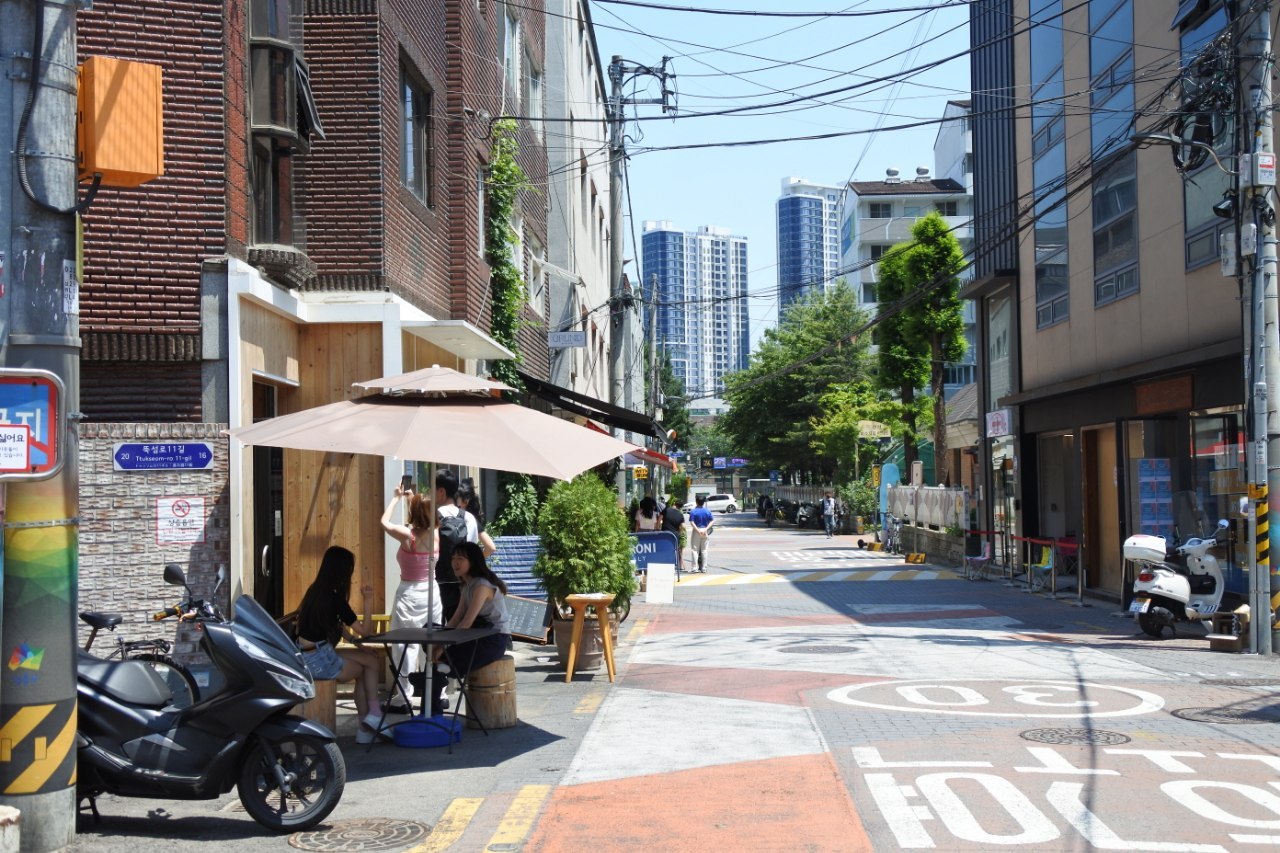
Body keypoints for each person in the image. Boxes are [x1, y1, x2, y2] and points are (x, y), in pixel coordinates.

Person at [295, 546, 386, 743]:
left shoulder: (315, 592)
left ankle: (367, 725)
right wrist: (368, 600)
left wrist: (354, 642)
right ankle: (372, 718)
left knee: (368, 661)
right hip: (320, 659)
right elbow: (366, 631)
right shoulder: (335, 599)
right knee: (370, 663)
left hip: (310, 655)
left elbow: (336, 624)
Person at [429, 542, 512, 716]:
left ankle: (444, 668)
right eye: (453, 558)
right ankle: (441, 671)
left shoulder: (482, 585)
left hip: (493, 640)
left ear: (473, 561)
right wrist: (436, 641)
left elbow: (466, 622)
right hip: (477, 635)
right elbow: (454, 621)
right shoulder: (466, 586)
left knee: (436, 664)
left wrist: (443, 646)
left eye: (461, 558)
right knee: (429, 634)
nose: (455, 563)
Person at [380, 484, 439, 714]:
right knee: (432, 643)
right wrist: (412, 499)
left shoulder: (408, 536)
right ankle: (437, 692)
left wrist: (395, 499)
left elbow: (384, 522)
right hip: (432, 593)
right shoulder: (435, 535)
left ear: (414, 514)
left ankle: (403, 695)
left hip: (410, 594)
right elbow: (422, 517)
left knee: (405, 645)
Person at [435, 469, 479, 621]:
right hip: (462, 583)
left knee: (436, 633)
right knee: (458, 631)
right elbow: (473, 549)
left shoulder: (433, 517)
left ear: (441, 491)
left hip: (437, 584)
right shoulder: (468, 517)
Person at [457, 480, 498, 558]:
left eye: (456, 498)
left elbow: (491, 547)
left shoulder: (466, 518)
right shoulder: (473, 520)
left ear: (466, 501)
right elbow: (490, 548)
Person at [687, 494, 715, 572]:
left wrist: (698, 530)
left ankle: (694, 568)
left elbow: (692, 522)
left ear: (696, 502)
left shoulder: (693, 511)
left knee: (695, 550)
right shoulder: (707, 511)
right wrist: (706, 528)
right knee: (704, 550)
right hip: (705, 531)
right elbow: (712, 521)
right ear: (704, 502)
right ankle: (704, 567)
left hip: (697, 531)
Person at [661, 498, 686, 572]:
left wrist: (657, 528)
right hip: (675, 535)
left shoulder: (666, 510)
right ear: (680, 507)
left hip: (665, 534)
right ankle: (675, 565)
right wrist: (680, 533)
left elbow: (659, 519)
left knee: (665, 549)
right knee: (675, 550)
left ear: (674, 503)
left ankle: (666, 565)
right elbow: (682, 527)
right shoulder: (680, 514)